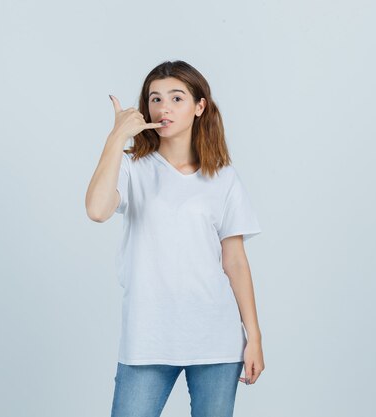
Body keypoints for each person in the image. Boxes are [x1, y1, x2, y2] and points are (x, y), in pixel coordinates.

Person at [85, 60, 265, 417]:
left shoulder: (224, 177)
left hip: (215, 340)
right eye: (155, 98)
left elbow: (235, 261)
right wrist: (116, 138)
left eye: (176, 98)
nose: (163, 107)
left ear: (200, 107)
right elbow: (96, 210)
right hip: (148, 337)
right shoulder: (132, 167)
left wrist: (254, 337)